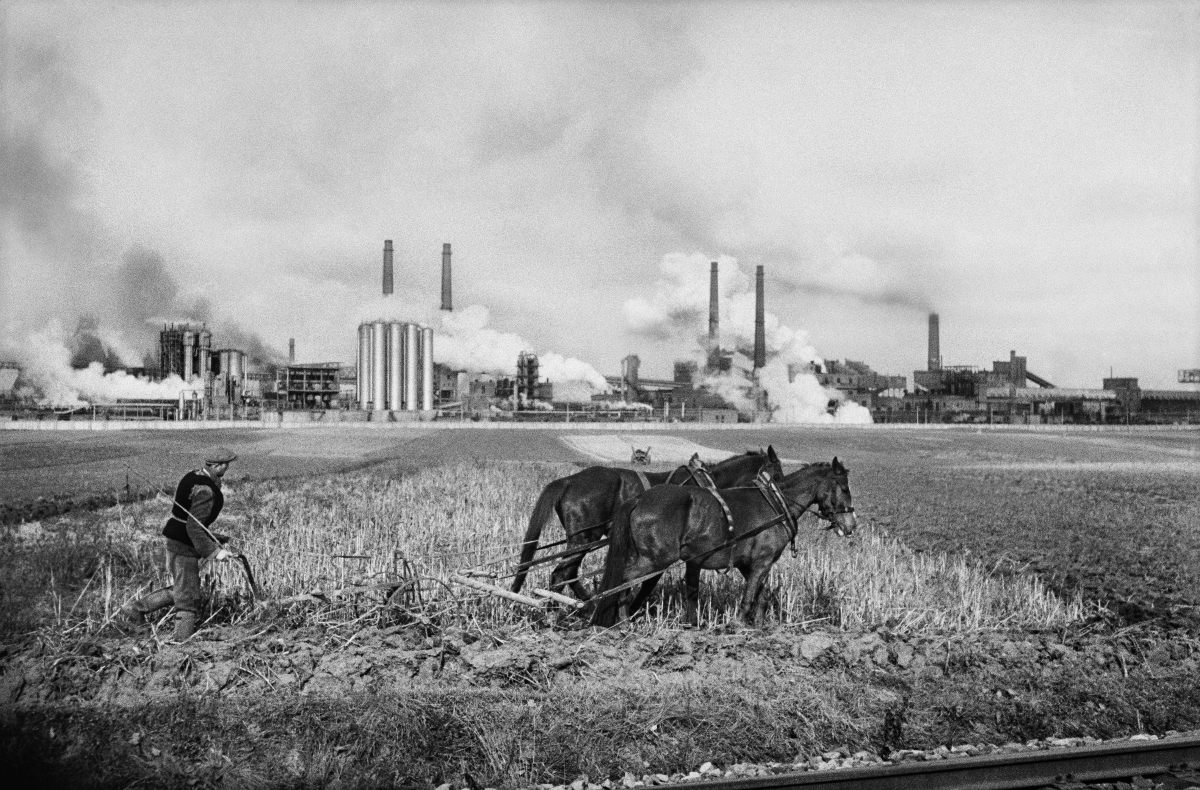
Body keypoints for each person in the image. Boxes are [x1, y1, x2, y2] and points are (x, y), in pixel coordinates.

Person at [119, 447, 238, 641]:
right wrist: (215, 552)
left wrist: (212, 536)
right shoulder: (206, 490)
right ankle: (181, 643)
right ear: (216, 466)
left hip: (175, 539)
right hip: (184, 546)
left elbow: (188, 518)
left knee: (182, 587)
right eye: (226, 465)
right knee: (187, 597)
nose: (227, 468)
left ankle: (135, 609)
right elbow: (192, 526)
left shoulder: (192, 476)